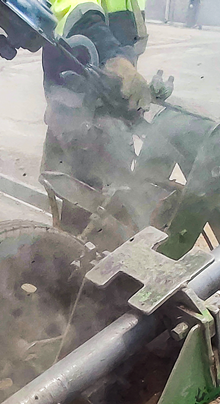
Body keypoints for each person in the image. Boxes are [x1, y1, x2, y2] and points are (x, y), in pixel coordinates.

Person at [41, 0, 151, 231]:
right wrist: (115, 57)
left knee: (111, 210)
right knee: (86, 215)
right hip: (82, 104)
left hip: (109, 107)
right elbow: (72, 8)